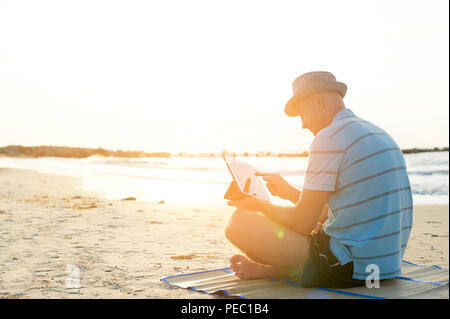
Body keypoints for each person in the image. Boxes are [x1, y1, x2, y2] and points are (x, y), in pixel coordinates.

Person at [225, 71, 413, 288]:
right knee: (316, 226)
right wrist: (288, 192)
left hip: (350, 269)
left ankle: (283, 269)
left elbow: (303, 223)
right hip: (384, 267)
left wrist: (259, 205)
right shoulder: (377, 132)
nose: (303, 124)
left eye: (302, 113)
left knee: (239, 223)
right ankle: (283, 268)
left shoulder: (329, 137)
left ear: (318, 101)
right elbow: (335, 213)